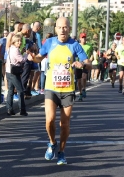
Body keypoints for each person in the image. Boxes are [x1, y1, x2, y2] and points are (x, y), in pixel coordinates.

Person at [29, 17, 92, 165]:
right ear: (55, 29)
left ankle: (62, 152)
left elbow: (89, 64)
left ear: (69, 28)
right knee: (49, 120)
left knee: (64, 124)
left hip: (68, 89)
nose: (62, 30)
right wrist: (33, 58)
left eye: (65, 27)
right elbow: (40, 57)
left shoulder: (75, 45)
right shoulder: (49, 43)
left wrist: (81, 63)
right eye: (59, 27)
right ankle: (52, 143)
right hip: (51, 88)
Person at [6, 34, 31, 116]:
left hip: (8, 71)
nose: (19, 43)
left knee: (10, 91)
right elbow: (21, 60)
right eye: (18, 41)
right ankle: (22, 110)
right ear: (13, 42)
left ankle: (9, 109)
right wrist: (26, 54)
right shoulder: (16, 50)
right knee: (20, 91)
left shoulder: (10, 49)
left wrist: (22, 52)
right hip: (14, 72)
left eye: (20, 41)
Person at [75, 33, 93, 101]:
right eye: (82, 38)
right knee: (79, 81)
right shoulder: (77, 45)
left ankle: (84, 89)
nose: (84, 39)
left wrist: (90, 60)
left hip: (85, 64)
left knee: (84, 77)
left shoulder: (89, 46)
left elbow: (91, 54)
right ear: (80, 38)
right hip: (78, 64)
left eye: (85, 37)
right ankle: (80, 94)